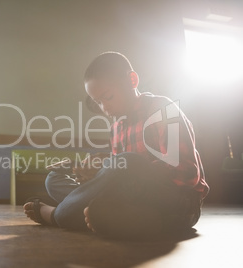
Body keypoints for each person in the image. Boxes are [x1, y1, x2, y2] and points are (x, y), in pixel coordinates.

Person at [23, 52, 209, 239]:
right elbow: (118, 174)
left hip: (178, 202)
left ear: (132, 80)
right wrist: (96, 172)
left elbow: (185, 174)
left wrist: (121, 169)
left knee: (127, 163)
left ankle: (59, 215)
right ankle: (102, 214)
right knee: (54, 178)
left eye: (109, 97)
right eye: (98, 102)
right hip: (132, 197)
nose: (104, 107)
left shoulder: (163, 109)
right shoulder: (116, 127)